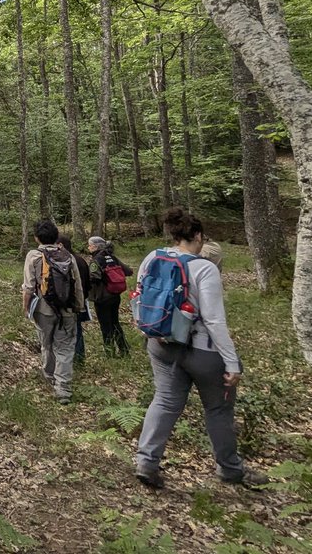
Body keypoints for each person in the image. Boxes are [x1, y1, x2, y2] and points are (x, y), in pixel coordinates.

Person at [135, 207, 265, 489]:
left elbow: (139, 297)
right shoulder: (204, 268)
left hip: (161, 344)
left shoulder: (152, 258)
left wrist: (148, 329)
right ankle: (230, 469)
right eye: (202, 239)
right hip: (203, 350)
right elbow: (215, 320)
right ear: (197, 236)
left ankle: (146, 462)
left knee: (165, 401)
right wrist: (231, 362)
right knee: (218, 409)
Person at [22, 219, 84, 404]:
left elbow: (28, 286)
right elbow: (77, 284)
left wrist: (25, 308)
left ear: (36, 238)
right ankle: (63, 389)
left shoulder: (34, 256)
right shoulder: (67, 256)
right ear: (56, 236)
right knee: (64, 348)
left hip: (44, 309)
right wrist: (78, 305)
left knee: (46, 343)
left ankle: (49, 377)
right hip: (66, 309)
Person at [87, 236, 131, 356]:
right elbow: (129, 271)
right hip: (115, 295)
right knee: (115, 322)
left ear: (95, 246)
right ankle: (124, 349)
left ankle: (110, 352)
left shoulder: (96, 260)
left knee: (105, 326)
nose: (88, 247)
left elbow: (94, 277)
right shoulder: (112, 257)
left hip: (102, 297)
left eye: (90, 245)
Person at [60, 236, 92, 364]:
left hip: (69, 302)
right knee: (78, 330)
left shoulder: (66, 262)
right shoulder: (81, 260)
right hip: (82, 300)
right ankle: (79, 357)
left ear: (61, 245)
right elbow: (89, 283)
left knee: (69, 331)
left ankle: (72, 359)